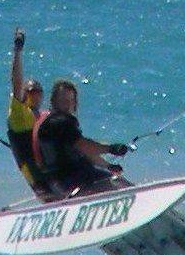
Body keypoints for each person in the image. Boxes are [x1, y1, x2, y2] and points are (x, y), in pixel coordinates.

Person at [34, 78, 129, 198]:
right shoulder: (60, 122)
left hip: (59, 182)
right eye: (63, 100)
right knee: (120, 183)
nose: (68, 105)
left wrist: (108, 165)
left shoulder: (48, 123)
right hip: (73, 179)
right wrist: (111, 149)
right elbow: (83, 146)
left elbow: (83, 152)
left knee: (114, 180)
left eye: (71, 101)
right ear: (53, 101)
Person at [7, 28, 48, 196]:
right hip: (40, 180)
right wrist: (18, 51)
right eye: (30, 91)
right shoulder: (20, 114)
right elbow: (16, 82)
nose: (35, 95)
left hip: (54, 170)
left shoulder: (46, 116)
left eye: (38, 91)